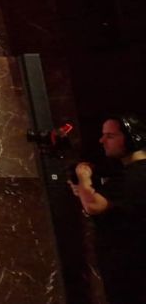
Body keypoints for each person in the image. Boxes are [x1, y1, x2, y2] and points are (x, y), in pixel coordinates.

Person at [70, 115, 146, 304]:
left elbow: (94, 205)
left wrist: (83, 177)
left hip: (133, 269)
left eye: (110, 136)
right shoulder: (131, 173)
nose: (102, 140)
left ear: (131, 139)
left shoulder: (135, 175)